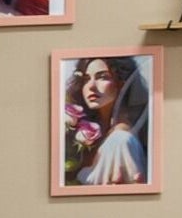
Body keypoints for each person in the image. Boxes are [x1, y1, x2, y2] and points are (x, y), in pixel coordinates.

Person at [63, 56, 149, 189]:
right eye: (86, 79)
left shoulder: (121, 141)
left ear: (122, 83)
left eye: (102, 77)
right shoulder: (85, 130)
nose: (91, 86)